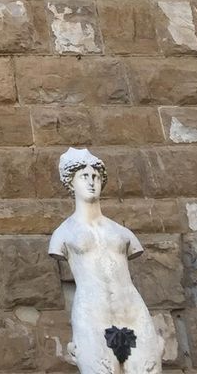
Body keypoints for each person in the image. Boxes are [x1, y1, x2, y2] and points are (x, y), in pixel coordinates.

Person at [48, 148, 163, 374]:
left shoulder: (122, 233)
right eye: (84, 176)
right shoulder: (63, 234)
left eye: (96, 177)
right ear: (71, 183)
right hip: (93, 317)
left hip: (133, 315)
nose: (91, 182)